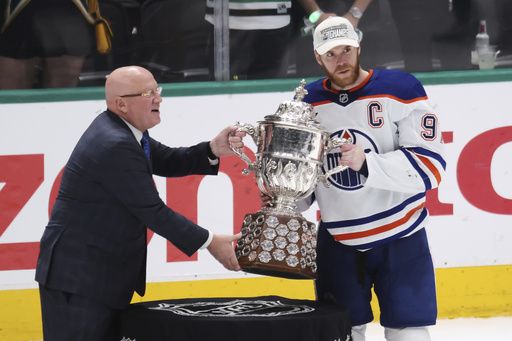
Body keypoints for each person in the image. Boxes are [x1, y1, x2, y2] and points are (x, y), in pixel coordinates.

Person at [260, 17, 446, 341]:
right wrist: (283, 194)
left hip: (401, 236)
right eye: (331, 54)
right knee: (341, 333)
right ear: (318, 58)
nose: (341, 59)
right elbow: (306, 187)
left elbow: (431, 167)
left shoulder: (401, 89)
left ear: (358, 46)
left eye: (346, 49)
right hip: (338, 241)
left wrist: (366, 164)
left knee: (410, 332)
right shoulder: (305, 104)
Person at [35, 65, 245, 340]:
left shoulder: (125, 130)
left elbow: (166, 159)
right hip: (78, 282)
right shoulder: (114, 143)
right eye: (148, 93)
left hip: (95, 277)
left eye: (158, 90)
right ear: (121, 103)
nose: (158, 98)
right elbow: (153, 212)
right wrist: (210, 242)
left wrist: (212, 149)